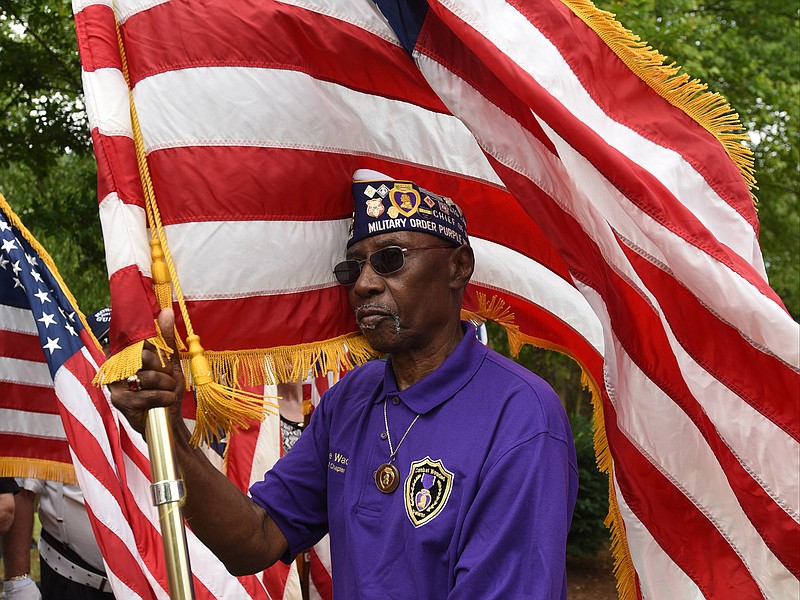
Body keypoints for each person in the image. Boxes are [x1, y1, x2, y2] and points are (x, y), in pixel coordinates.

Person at [110, 170, 578, 599]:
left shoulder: (522, 415)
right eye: (353, 269)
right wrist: (167, 432)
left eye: (390, 260)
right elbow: (256, 539)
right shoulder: (351, 398)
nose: (363, 285)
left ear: (458, 266)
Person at [2, 308, 115, 600]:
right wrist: (18, 580)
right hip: (71, 582)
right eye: (104, 346)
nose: (112, 358)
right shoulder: (60, 410)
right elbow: (25, 492)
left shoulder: (152, 411)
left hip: (138, 583)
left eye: (121, 348)